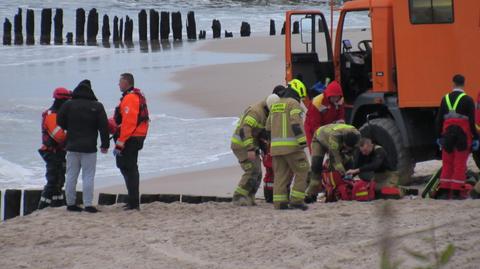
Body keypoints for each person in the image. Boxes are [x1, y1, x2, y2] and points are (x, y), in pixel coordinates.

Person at [57, 80, 109, 213]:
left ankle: (70, 203)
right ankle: (88, 204)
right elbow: (104, 127)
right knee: (88, 176)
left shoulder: (68, 105)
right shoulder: (97, 106)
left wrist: (69, 127)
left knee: (71, 175)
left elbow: (59, 121)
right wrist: (105, 145)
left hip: (72, 146)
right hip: (89, 147)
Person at [266, 79, 309, 210]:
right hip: (292, 147)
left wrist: (271, 144)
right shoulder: (293, 104)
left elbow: (267, 127)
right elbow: (296, 123)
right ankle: (296, 200)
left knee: (280, 176)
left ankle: (279, 203)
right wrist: (302, 141)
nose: (300, 100)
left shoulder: (275, 105)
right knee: (302, 170)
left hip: (276, 149)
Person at [231, 93, 280, 206]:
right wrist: (250, 149)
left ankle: (249, 197)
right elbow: (245, 130)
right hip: (241, 145)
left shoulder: (266, 111)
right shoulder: (256, 112)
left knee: (257, 172)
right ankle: (238, 198)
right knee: (252, 170)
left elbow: (259, 132)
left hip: (251, 145)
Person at [435, 74, 479, 199]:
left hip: (447, 136)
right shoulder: (468, 100)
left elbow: (439, 120)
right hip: (463, 137)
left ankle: (444, 191)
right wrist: (476, 138)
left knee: (447, 163)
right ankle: (456, 193)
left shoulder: (445, 99)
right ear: (464, 84)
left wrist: (438, 136)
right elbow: (472, 122)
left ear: (453, 83)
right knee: (459, 164)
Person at [113, 73, 150, 210]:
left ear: (127, 83)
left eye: (120, 81)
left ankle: (134, 202)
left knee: (129, 168)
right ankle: (132, 200)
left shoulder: (130, 98)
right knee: (127, 167)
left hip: (131, 138)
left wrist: (120, 143)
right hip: (136, 136)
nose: (118, 84)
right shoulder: (134, 97)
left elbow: (129, 122)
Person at [305, 123, 360, 200]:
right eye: (346, 147)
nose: (347, 149)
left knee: (349, 161)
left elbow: (354, 154)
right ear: (343, 141)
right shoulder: (335, 137)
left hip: (335, 139)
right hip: (319, 139)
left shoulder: (357, 135)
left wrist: (352, 171)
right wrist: (343, 173)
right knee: (316, 165)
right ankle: (310, 192)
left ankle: (342, 187)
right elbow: (335, 158)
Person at [38, 88, 72, 209]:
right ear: (61, 100)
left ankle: (58, 204)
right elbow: (59, 136)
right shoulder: (51, 115)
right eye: (67, 100)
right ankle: (42, 207)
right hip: (51, 152)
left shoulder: (58, 114)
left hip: (58, 152)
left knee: (60, 180)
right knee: (53, 180)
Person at [304, 81, 345, 149]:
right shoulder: (317, 102)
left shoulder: (340, 100)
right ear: (329, 95)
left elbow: (340, 117)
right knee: (316, 152)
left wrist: (339, 132)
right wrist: (325, 136)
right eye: (333, 97)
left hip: (327, 126)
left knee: (333, 150)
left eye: (337, 97)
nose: (335, 99)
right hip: (312, 128)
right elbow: (315, 125)